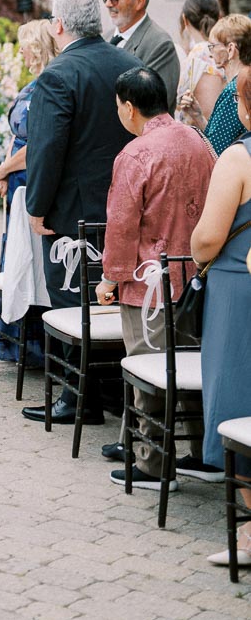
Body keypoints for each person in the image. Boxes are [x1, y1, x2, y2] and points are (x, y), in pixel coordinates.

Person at [96, 66, 216, 491]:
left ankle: (151, 464)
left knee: (148, 370)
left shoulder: (136, 154)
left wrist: (110, 278)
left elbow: (122, 225)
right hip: (198, 276)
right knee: (194, 369)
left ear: (129, 108)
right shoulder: (198, 141)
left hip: (150, 283)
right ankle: (203, 453)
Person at [22, 0, 136, 426]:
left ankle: (76, 398)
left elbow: (46, 149)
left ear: (59, 25)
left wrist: (37, 206)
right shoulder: (130, 64)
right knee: (114, 299)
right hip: (126, 204)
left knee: (71, 300)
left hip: (74, 212)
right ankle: (109, 390)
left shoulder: (57, 74)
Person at [190, 62, 251, 567]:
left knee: (237, 394)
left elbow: (209, 237)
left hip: (239, 291)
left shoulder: (238, 156)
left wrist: (195, 249)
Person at [0, 17, 58, 365]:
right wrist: (4, 169)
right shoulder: (33, 84)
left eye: (25, 45)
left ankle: (31, 346)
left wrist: (3, 169)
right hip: (16, 176)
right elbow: (17, 137)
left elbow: (36, 143)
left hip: (30, 177)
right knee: (14, 252)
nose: (20, 52)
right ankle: (13, 341)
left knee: (28, 258)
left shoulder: (48, 85)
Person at [104, 0, 180, 112]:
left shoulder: (160, 45)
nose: (108, 4)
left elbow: (154, 109)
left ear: (140, 1)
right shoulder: (104, 38)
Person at [187, 14, 251, 155]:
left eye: (212, 46)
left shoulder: (233, 90)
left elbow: (215, 150)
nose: (210, 53)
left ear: (230, 49)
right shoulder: (244, 82)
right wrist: (198, 116)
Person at [175, 0, 224, 128]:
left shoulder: (201, 53)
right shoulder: (221, 50)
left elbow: (209, 109)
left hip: (204, 135)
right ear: (219, 17)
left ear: (185, 20)